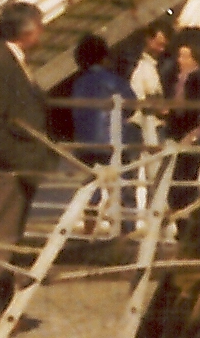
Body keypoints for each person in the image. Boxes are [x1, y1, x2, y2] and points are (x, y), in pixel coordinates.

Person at [0, 2, 62, 334]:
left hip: (17, 163)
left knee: (10, 239)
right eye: (40, 25)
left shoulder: (8, 59)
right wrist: (18, 162)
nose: (43, 32)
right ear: (27, 30)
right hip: (6, 166)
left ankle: (3, 309)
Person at [58, 33, 141, 227]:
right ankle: (126, 228)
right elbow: (132, 104)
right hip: (112, 142)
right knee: (124, 185)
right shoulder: (113, 80)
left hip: (85, 143)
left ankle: (89, 225)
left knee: (91, 187)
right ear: (104, 57)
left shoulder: (79, 83)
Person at [158, 37, 200, 212]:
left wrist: (184, 132)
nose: (180, 60)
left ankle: (183, 218)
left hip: (193, 135)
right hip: (192, 134)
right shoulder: (188, 78)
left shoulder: (196, 78)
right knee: (183, 180)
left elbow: (194, 109)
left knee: (182, 181)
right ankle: (182, 218)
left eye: (185, 57)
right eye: (179, 56)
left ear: (195, 60)